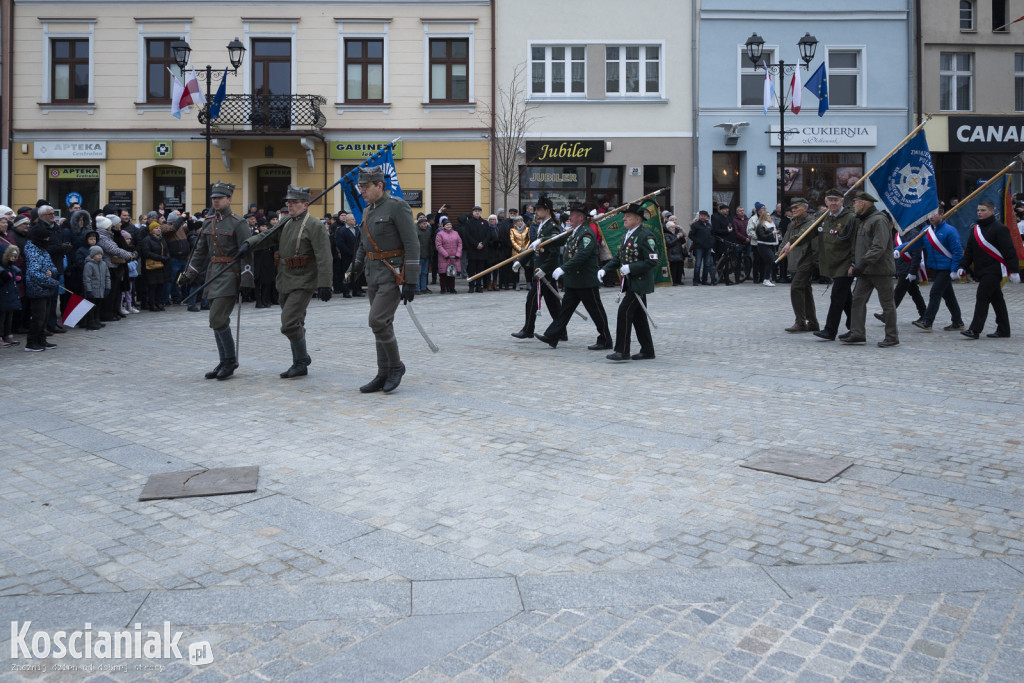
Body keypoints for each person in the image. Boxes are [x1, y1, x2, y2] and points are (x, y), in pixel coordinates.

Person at [240, 186, 333, 378]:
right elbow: (266, 237)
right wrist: (248, 244)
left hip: (304, 280)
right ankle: (300, 362)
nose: (289, 206)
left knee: (288, 323)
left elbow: (324, 256)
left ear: (305, 204)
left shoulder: (314, 225)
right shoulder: (286, 223)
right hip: (285, 278)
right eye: (288, 203)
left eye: (294, 202)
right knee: (296, 321)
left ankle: (301, 359)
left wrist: (325, 283)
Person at [349, 167, 420, 393]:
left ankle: (396, 367)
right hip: (373, 274)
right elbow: (363, 244)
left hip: (393, 274)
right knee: (382, 325)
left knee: (377, 321)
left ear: (379, 185)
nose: (362, 191)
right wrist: (355, 269)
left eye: (365, 187)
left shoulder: (398, 207)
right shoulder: (368, 210)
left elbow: (412, 243)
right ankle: (383, 372)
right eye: (360, 187)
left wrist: (411, 280)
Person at [179, 181, 251, 380]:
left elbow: (247, 253)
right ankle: (224, 359)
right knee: (216, 320)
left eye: (220, 198)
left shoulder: (238, 223)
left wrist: (247, 281)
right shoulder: (208, 221)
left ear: (229, 199)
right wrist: (189, 275)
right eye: (214, 198)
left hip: (230, 273)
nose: (216, 201)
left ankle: (230, 361)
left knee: (217, 318)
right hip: (212, 273)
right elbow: (199, 251)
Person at [534, 201, 612, 350]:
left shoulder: (586, 233)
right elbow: (559, 239)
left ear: (581, 217)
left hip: (585, 281)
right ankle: (552, 335)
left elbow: (582, 254)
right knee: (565, 311)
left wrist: (563, 268)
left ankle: (606, 339)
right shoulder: (575, 231)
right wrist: (542, 241)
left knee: (596, 311)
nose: (569, 218)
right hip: (574, 281)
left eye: (573, 215)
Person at [599, 203, 658, 361]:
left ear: (638, 219)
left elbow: (652, 261)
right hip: (630, 283)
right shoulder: (627, 235)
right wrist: (605, 269)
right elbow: (619, 258)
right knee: (639, 318)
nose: (624, 218)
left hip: (639, 283)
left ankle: (622, 350)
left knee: (624, 312)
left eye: (628, 216)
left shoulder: (646, 236)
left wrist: (632, 268)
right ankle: (647, 350)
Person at [957, 200, 1021, 339]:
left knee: (982, 296)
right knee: (997, 300)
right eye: (978, 210)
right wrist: (963, 266)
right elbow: (969, 251)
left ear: (992, 211)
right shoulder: (976, 230)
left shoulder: (1000, 228)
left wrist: (1014, 270)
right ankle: (1004, 329)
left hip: (995, 270)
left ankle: (975, 330)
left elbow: (1009, 250)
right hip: (982, 270)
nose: (980, 212)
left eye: (983, 210)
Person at [842, 191, 898, 347]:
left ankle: (892, 336)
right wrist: (856, 263)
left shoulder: (879, 220)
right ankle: (857, 333)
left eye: (855, 202)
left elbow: (878, 246)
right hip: (865, 271)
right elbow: (860, 246)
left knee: (887, 304)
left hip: (880, 270)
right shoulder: (864, 220)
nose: (853, 205)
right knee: (857, 300)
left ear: (863, 203)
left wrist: (862, 263)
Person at [511, 196, 562, 339]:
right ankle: (561, 331)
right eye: (536, 209)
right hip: (541, 270)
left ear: (547, 210)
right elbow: (532, 248)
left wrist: (543, 270)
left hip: (546, 271)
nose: (536, 211)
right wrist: (520, 261)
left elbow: (554, 254)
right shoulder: (542, 226)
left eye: (539, 209)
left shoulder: (552, 227)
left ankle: (528, 330)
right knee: (553, 304)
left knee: (531, 299)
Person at [813, 189, 856, 340]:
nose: (833, 203)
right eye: (830, 200)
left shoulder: (851, 218)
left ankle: (830, 330)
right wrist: (791, 242)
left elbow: (855, 243)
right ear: (825, 202)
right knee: (846, 298)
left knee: (837, 296)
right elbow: (809, 232)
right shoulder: (823, 217)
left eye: (836, 200)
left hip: (845, 264)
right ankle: (855, 326)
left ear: (842, 201)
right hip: (832, 263)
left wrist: (854, 263)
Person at [912, 211, 965, 332]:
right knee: (949, 296)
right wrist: (900, 249)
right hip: (936, 267)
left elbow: (957, 252)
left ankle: (927, 321)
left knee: (935, 293)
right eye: (929, 214)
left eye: (934, 214)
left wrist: (954, 269)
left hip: (946, 268)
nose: (931, 217)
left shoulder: (950, 231)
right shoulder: (926, 230)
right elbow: (915, 243)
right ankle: (958, 322)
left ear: (942, 215)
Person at [777, 197, 820, 332]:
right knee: (805, 290)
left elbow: (802, 236)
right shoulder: (792, 224)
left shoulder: (811, 223)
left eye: (797, 207)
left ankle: (800, 322)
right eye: (792, 208)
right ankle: (812, 322)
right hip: (796, 260)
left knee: (796, 287)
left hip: (808, 259)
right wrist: (779, 253)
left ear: (805, 208)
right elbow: (786, 240)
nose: (793, 210)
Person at [23, 224, 60, 352]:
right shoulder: (32, 251)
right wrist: (51, 281)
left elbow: (52, 266)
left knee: (44, 317)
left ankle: (42, 340)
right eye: (45, 238)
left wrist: (52, 272)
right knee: (38, 317)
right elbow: (34, 273)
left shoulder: (43, 250)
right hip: (37, 289)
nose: (47, 241)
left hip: (47, 288)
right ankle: (31, 342)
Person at [140, 224, 171, 311]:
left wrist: (167, 257)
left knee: (160, 285)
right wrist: (161, 258)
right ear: (151, 230)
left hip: (161, 265)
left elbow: (166, 249)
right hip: (152, 266)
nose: (158, 230)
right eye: (156, 228)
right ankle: (152, 304)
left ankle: (158, 303)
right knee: (152, 286)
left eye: (159, 228)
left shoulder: (161, 239)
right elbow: (147, 253)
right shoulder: (147, 240)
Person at [81, 245, 110, 331]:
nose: (99, 256)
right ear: (92, 255)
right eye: (97, 254)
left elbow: (107, 276)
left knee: (98, 306)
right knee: (91, 307)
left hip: (101, 289)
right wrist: (89, 290)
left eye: (100, 254)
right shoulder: (89, 265)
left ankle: (97, 320)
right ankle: (90, 322)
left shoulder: (103, 264)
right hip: (93, 289)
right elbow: (87, 278)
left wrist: (108, 287)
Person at [463, 206, 490, 292]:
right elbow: (467, 235)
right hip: (472, 250)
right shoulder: (468, 223)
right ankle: (471, 286)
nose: (477, 212)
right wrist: (475, 244)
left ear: (481, 212)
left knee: (480, 269)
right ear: (473, 212)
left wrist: (483, 243)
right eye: (475, 211)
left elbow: (488, 235)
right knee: (471, 269)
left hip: (482, 250)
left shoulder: (485, 222)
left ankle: (479, 286)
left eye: (478, 211)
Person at [0, 245, 22, 345]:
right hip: (3, 296)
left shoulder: (12, 268)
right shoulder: (2, 269)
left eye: (14, 256)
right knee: (2, 317)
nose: (13, 259)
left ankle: (8, 334)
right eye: (11, 256)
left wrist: (17, 278)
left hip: (11, 295)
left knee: (9, 316)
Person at [435, 217, 462, 293]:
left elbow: (460, 244)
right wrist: (445, 254)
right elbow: (438, 246)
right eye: (447, 225)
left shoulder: (456, 233)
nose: (449, 226)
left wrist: (458, 254)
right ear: (443, 226)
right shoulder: (440, 234)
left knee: (452, 274)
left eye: (450, 224)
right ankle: (443, 289)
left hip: (454, 257)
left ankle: (452, 288)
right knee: (443, 274)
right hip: (444, 257)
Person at [689, 210, 715, 285]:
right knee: (698, 264)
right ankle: (696, 280)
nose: (703, 217)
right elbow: (691, 235)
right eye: (701, 215)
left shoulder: (709, 225)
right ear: (699, 216)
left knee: (707, 264)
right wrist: (697, 241)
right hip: (699, 247)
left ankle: (704, 280)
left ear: (706, 216)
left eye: (704, 215)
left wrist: (712, 242)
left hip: (708, 247)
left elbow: (712, 234)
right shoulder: (695, 225)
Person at [508, 215, 531, 290]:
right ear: (515, 223)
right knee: (516, 268)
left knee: (527, 268)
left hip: (526, 251)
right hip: (516, 252)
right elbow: (512, 240)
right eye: (518, 221)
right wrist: (519, 249)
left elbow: (529, 239)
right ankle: (517, 284)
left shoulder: (527, 229)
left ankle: (528, 283)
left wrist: (525, 248)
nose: (520, 222)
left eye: (521, 221)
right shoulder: (512, 230)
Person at [663, 220, 686, 285]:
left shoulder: (676, 233)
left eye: (674, 227)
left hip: (679, 253)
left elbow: (683, 242)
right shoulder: (666, 234)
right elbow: (669, 244)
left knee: (680, 268)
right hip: (672, 254)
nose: (674, 228)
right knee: (673, 268)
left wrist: (681, 236)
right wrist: (677, 238)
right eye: (672, 227)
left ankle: (679, 280)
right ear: (668, 228)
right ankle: (673, 281)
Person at [415, 216, 434, 294]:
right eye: (423, 223)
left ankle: (423, 287)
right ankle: (417, 288)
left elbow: (430, 244)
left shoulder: (428, 232)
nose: (425, 225)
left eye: (426, 223)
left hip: (426, 256)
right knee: (418, 273)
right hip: (418, 256)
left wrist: (431, 254)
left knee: (424, 273)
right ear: (419, 224)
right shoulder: (416, 232)